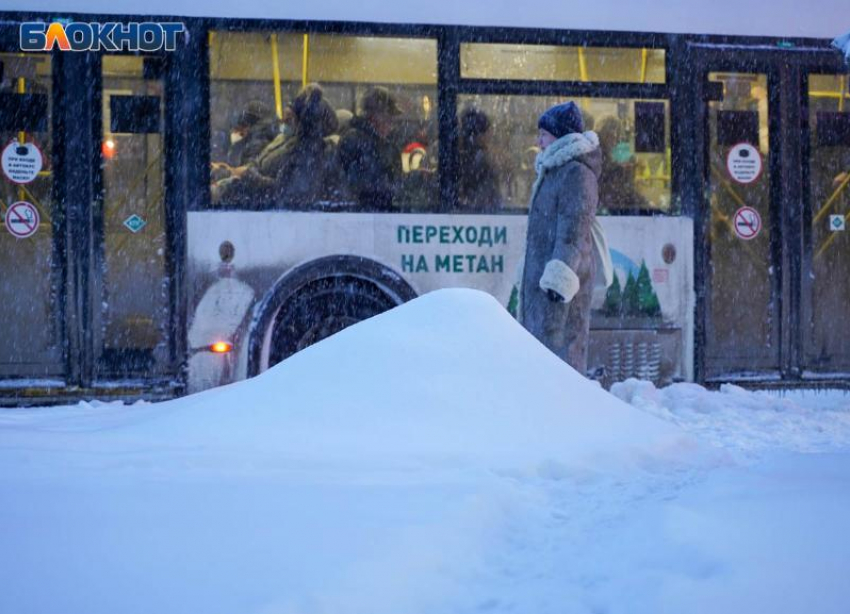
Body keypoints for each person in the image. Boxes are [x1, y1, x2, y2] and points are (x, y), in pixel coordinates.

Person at [520, 101, 603, 373]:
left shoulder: (576, 173)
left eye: (543, 134)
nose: (539, 141)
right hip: (546, 285)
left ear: (559, 136)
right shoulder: (556, 170)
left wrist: (559, 281)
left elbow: (573, 231)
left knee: (560, 356)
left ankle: (565, 412)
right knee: (544, 355)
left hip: (559, 290)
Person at [337, 87, 403, 211]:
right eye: (390, 119)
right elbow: (363, 185)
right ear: (375, 117)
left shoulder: (378, 143)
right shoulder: (355, 142)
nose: (392, 125)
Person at [458, 107, 501, 210]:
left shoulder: (462, 156)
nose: (490, 136)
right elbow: (487, 197)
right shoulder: (480, 160)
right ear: (479, 135)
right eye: (488, 132)